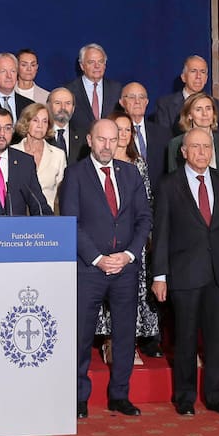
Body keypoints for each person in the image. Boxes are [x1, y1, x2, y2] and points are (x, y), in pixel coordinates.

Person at [57, 119, 151, 420]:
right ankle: (76, 398)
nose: (108, 145)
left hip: (125, 268)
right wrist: (98, 258)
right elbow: (71, 221)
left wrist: (128, 255)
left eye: (113, 139)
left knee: (125, 335)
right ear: (89, 139)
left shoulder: (130, 173)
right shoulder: (75, 174)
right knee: (81, 335)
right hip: (89, 268)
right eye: (102, 139)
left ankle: (120, 396)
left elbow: (144, 219)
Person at [151, 127, 219, 417]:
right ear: (184, 152)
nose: (202, 152)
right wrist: (159, 276)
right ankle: (185, 397)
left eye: (206, 147)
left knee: (217, 339)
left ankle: (216, 396)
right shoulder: (169, 185)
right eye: (195, 147)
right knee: (185, 339)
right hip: (184, 274)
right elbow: (162, 233)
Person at [95, 113, 162, 360]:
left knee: (133, 292)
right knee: (109, 289)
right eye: (118, 130)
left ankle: (130, 343)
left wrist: (145, 234)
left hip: (135, 241)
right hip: (107, 240)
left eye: (127, 130)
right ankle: (110, 342)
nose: (123, 135)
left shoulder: (138, 163)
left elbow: (146, 203)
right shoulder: (100, 161)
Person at [164, 93, 219, 200]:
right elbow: (173, 181)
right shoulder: (176, 144)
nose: (205, 114)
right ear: (189, 115)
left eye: (208, 108)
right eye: (198, 109)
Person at [151, 54, 219, 137]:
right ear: (183, 77)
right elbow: (163, 140)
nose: (198, 76)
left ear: (206, 78)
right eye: (193, 71)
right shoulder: (165, 105)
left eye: (202, 72)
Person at [11, 102, 66, 211]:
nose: (40, 125)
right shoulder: (12, 152)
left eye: (44, 121)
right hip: (17, 219)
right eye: (35, 120)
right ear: (26, 122)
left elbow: (62, 193)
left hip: (47, 218)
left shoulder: (58, 155)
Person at [118, 82, 169, 188]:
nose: (137, 101)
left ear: (146, 102)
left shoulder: (163, 133)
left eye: (141, 97)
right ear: (122, 102)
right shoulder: (115, 133)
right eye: (131, 97)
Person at [63, 44, 122, 133]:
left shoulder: (116, 89)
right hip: (80, 145)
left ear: (105, 65)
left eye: (100, 62)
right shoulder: (68, 91)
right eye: (91, 62)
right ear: (82, 66)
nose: (97, 66)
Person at [47, 87, 87, 163]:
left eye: (68, 103)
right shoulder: (41, 133)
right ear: (48, 106)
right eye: (57, 103)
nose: (63, 107)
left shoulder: (83, 135)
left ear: (73, 108)